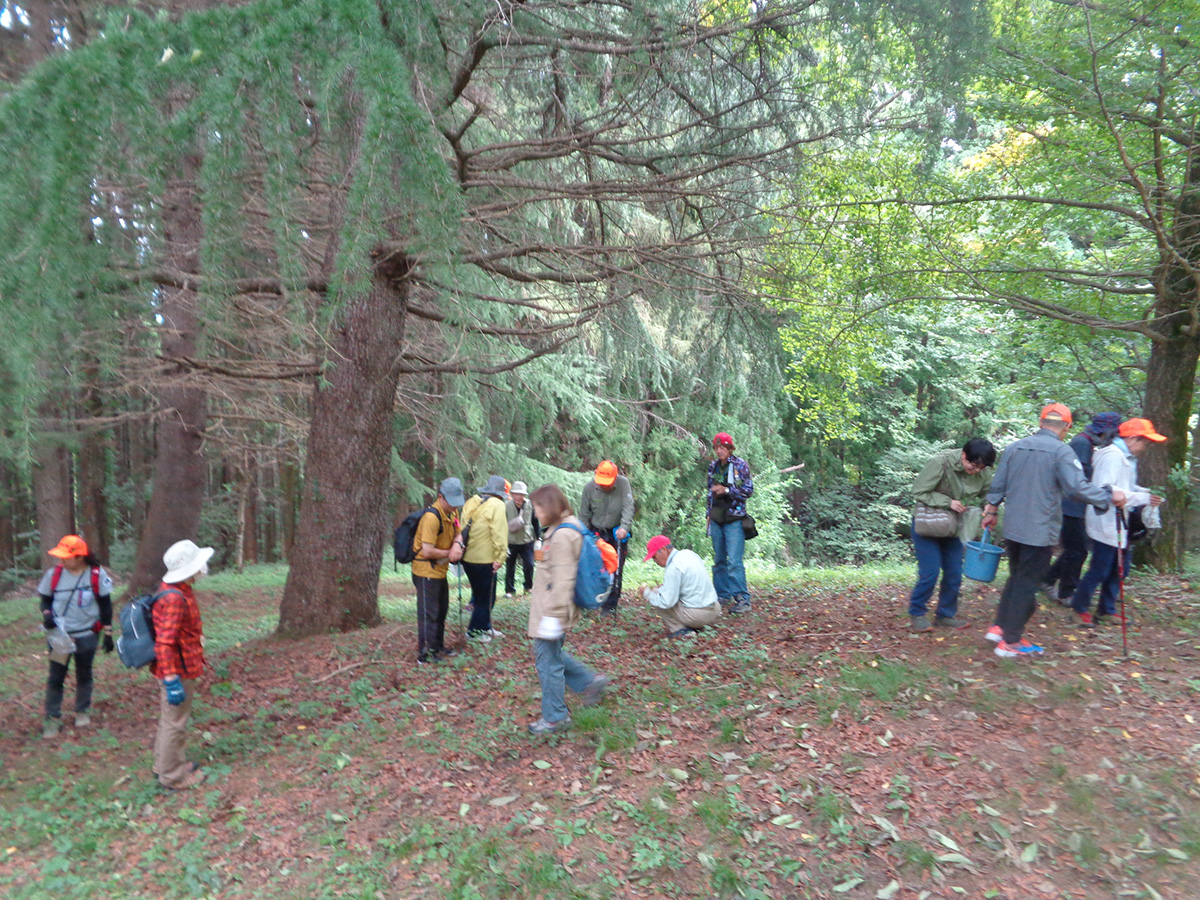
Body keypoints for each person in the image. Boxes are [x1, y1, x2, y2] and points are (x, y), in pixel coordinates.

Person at [982, 404, 1124, 658]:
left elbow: (998, 484)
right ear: (1067, 426)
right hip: (1039, 530)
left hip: (1013, 527)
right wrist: (1107, 496)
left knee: (1017, 577)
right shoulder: (1062, 451)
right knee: (1027, 582)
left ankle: (1000, 627)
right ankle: (1011, 641)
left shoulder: (1014, 448)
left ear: (1041, 422)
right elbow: (1076, 488)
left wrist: (991, 512)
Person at [526, 484, 611, 734]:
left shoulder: (563, 535)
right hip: (551, 607)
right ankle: (589, 681)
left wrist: (553, 617)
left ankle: (555, 717)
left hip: (552, 610)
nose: (536, 513)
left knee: (547, 663)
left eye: (539, 507)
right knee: (548, 655)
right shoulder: (562, 527)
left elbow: (563, 580)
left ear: (550, 506)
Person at [1071, 418, 1166, 626]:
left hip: (1121, 520)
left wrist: (1142, 493)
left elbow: (1123, 486)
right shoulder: (1112, 456)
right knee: (1100, 569)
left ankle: (1107, 609)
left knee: (1119, 569)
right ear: (1131, 438)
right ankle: (1079, 607)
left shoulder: (1124, 457)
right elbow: (1106, 490)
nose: (1145, 447)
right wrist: (1142, 498)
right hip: (1106, 519)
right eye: (1145, 442)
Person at [907, 438, 997, 632]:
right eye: (973, 466)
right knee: (930, 572)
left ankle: (945, 615)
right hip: (928, 523)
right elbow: (919, 491)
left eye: (981, 468)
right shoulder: (941, 462)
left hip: (954, 524)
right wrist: (948, 502)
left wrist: (989, 511)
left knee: (954, 573)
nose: (976, 471)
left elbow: (988, 494)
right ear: (964, 455)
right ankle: (917, 613)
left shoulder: (983, 471)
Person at [151, 539, 214, 791]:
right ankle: (172, 776)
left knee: (172, 719)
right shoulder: (174, 598)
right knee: (175, 722)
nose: (203, 568)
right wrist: (171, 679)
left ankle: (165, 765)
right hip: (178, 670)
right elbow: (164, 643)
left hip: (184, 664)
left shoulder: (180, 589)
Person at [38, 535, 114, 738]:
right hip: (60, 638)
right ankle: (52, 718)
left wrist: (108, 633)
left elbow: (105, 605)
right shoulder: (54, 575)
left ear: (80, 557)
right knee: (56, 676)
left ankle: (82, 711)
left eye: (66, 557)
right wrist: (47, 614)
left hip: (88, 635)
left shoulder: (97, 575)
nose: (61, 560)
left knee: (84, 674)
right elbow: (45, 600)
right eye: (60, 556)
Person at [1042, 412, 1121, 605]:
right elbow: (1077, 479)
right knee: (1077, 551)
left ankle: (1047, 580)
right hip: (1071, 507)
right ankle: (1067, 593)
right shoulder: (1082, 443)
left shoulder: (1088, 443)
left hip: (1078, 506)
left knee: (1075, 549)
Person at [411, 477, 466, 664]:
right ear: (441, 497)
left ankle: (437, 647)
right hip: (425, 572)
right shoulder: (431, 518)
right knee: (429, 614)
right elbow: (427, 551)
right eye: (451, 502)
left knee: (441, 610)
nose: (454, 506)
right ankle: (425, 654)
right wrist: (450, 553)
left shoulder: (452, 512)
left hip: (440, 570)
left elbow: (458, 532)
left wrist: (457, 545)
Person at [706, 432, 754, 613]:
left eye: (723, 447)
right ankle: (722, 595)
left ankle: (742, 599)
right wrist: (708, 515)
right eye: (717, 448)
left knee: (734, 561)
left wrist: (726, 490)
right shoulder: (713, 466)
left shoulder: (740, 465)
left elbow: (748, 490)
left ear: (730, 448)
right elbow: (709, 492)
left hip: (735, 518)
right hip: (716, 517)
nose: (720, 451)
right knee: (719, 559)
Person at [638, 534, 722, 638]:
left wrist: (646, 593)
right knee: (662, 594)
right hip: (714, 609)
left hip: (698, 616)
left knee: (658, 600)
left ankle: (682, 631)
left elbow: (666, 602)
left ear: (664, 550)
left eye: (654, 557)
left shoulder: (673, 567)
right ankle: (696, 625)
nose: (655, 561)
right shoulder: (688, 554)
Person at [579, 460, 635, 613]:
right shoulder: (589, 488)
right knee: (594, 567)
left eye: (608, 483)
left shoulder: (623, 484)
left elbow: (628, 507)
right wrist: (585, 535)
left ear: (615, 477)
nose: (604, 486)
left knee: (615, 568)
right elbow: (583, 514)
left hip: (616, 532)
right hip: (596, 532)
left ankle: (610, 605)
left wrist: (624, 527)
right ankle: (591, 600)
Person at [461, 475, 510, 641]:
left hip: (468, 558)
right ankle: (474, 632)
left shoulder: (472, 501)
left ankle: (485, 626)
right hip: (485, 559)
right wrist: (500, 557)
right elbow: (499, 533)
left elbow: (462, 525)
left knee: (480, 594)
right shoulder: (498, 505)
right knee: (486, 598)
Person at [505, 480, 540, 598]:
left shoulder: (530, 505)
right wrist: (503, 543)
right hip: (511, 541)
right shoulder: (506, 506)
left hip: (526, 541)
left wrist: (538, 539)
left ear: (524, 495)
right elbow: (501, 524)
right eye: (515, 494)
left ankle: (528, 587)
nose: (518, 497)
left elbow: (535, 522)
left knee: (529, 565)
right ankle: (509, 590)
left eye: (520, 494)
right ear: (512, 494)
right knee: (510, 567)